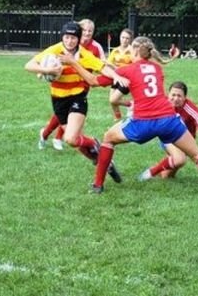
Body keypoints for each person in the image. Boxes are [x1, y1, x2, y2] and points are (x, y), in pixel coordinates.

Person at [61, 36, 198, 201]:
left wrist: (72, 62)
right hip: (169, 120)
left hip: (143, 123)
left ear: (135, 51)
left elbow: (92, 80)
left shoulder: (128, 70)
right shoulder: (158, 69)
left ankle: (98, 185)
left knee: (108, 138)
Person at [25, 21, 124, 183]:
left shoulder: (83, 54)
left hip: (77, 98)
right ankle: (99, 158)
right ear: (62, 37)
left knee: (70, 138)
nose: (70, 41)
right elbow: (28, 65)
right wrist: (47, 70)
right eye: (67, 37)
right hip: (58, 100)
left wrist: (116, 76)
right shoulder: (54, 50)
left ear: (78, 39)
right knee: (75, 143)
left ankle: (94, 144)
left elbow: (101, 67)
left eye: (73, 38)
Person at [37, 18, 107, 150]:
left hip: (83, 85)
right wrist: (44, 70)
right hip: (65, 87)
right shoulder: (67, 44)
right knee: (62, 115)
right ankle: (51, 135)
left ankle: (56, 137)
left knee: (70, 116)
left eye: (90, 31)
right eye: (84, 30)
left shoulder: (95, 47)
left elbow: (102, 62)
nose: (87, 33)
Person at [147, 81, 198, 179]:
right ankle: (154, 171)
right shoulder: (163, 104)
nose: (175, 98)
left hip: (185, 140)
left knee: (169, 175)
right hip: (168, 137)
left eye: (179, 96)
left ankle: (159, 170)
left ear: (185, 97)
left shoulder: (190, 109)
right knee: (179, 159)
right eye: (173, 95)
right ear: (168, 94)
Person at [106, 28, 134, 120]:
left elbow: (135, 66)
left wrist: (117, 67)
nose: (124, 40)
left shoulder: (132, 51)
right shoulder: (115, 50)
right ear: (120, 38)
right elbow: (108, 63)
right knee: (112, 102)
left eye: (127, 38)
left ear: (130, 40)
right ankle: (117, 118)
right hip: (116, 77)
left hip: (126, 79)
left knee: (113, 99)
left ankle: (130, 104)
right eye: (123, 37)